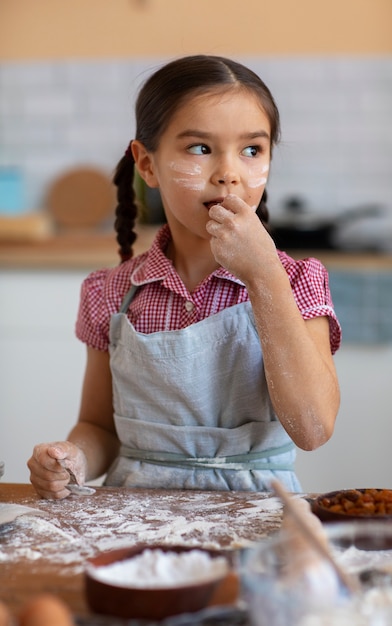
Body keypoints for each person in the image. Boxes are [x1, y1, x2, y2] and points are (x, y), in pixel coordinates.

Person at [28, 55, 341, 499]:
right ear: (147, 164)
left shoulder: (297, 282)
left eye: (252, 149)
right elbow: (99, 426)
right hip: (134, 522)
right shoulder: (109, 292)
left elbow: (312, 429)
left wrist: (264, 275)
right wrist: (73, 457)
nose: (229, 173)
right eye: (200, 148)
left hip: (257, 518)